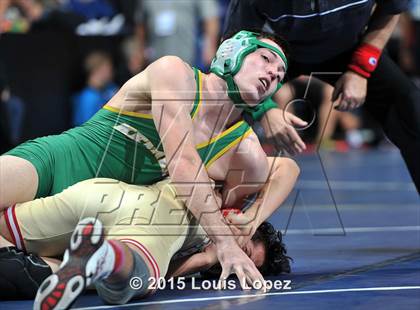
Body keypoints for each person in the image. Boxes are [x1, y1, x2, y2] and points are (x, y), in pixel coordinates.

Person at [0, 30, 289, 286]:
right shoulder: (175, 72)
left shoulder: (241, 147)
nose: (272, 74)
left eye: (279, 75)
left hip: (102, 212)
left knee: (108, 268)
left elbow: (286, 168)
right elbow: (182, 162)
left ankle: (22, 266)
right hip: (57, 162)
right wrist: (225, 243)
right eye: (266, 59)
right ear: (232, 51)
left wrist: (252, 221)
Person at [224, 0, 420, 193]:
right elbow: (233, 49)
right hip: (280, 52)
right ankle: (214, 207)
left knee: (412, 109)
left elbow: (391, 9)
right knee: (223, 106)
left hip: (349, 49)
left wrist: (361, 69)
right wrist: (264, 109)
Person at [72, 51, 118, 126]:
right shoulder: (88, 98)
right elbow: (87, 128)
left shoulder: (110, 88)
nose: (112, 72)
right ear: (97, 70)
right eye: (109, 68)